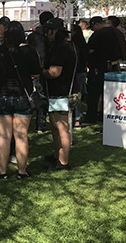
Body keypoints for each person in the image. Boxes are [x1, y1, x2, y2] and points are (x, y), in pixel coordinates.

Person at [0, 21, 40, 179]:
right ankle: (22, 172)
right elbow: (36, 74)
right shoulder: (29, 51)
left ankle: (2, 172)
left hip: (2, 95)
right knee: (21, 136)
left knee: (4, 136)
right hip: (22, 96)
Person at [41, 18, 78, 171]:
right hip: (65, 92)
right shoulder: (70, 46)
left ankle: (63, 162)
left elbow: (54, 73)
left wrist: (41, 73)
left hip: (61, 93)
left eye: (47, 32)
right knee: (55, 127)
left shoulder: (60, 48)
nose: (46, 35)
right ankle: (57, 155)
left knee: (62, 128)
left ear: (54, 31)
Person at [84, 16, 120, 124]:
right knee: (108, 94)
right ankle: (105, 115)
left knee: (94, 94)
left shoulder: (98, 34)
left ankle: (91, 116)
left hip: (98, 68)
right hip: (113, 66)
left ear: (96, 24)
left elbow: (90, 50)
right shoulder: (115, 32)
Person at [26, 11, 54, 133]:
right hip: (44, 70)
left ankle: (40, 124)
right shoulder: (49, 36)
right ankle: (41, 124)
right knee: (43, 97)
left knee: (39, 97)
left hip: (37, 70)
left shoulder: (33, 36)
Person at [71, 24, 88, 128]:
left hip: (76, 72)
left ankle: (76, 118)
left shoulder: (74, 45)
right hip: (81, 71)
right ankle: (77, 117)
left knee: (75, 95)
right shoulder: (83, 44)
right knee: (78, 95)